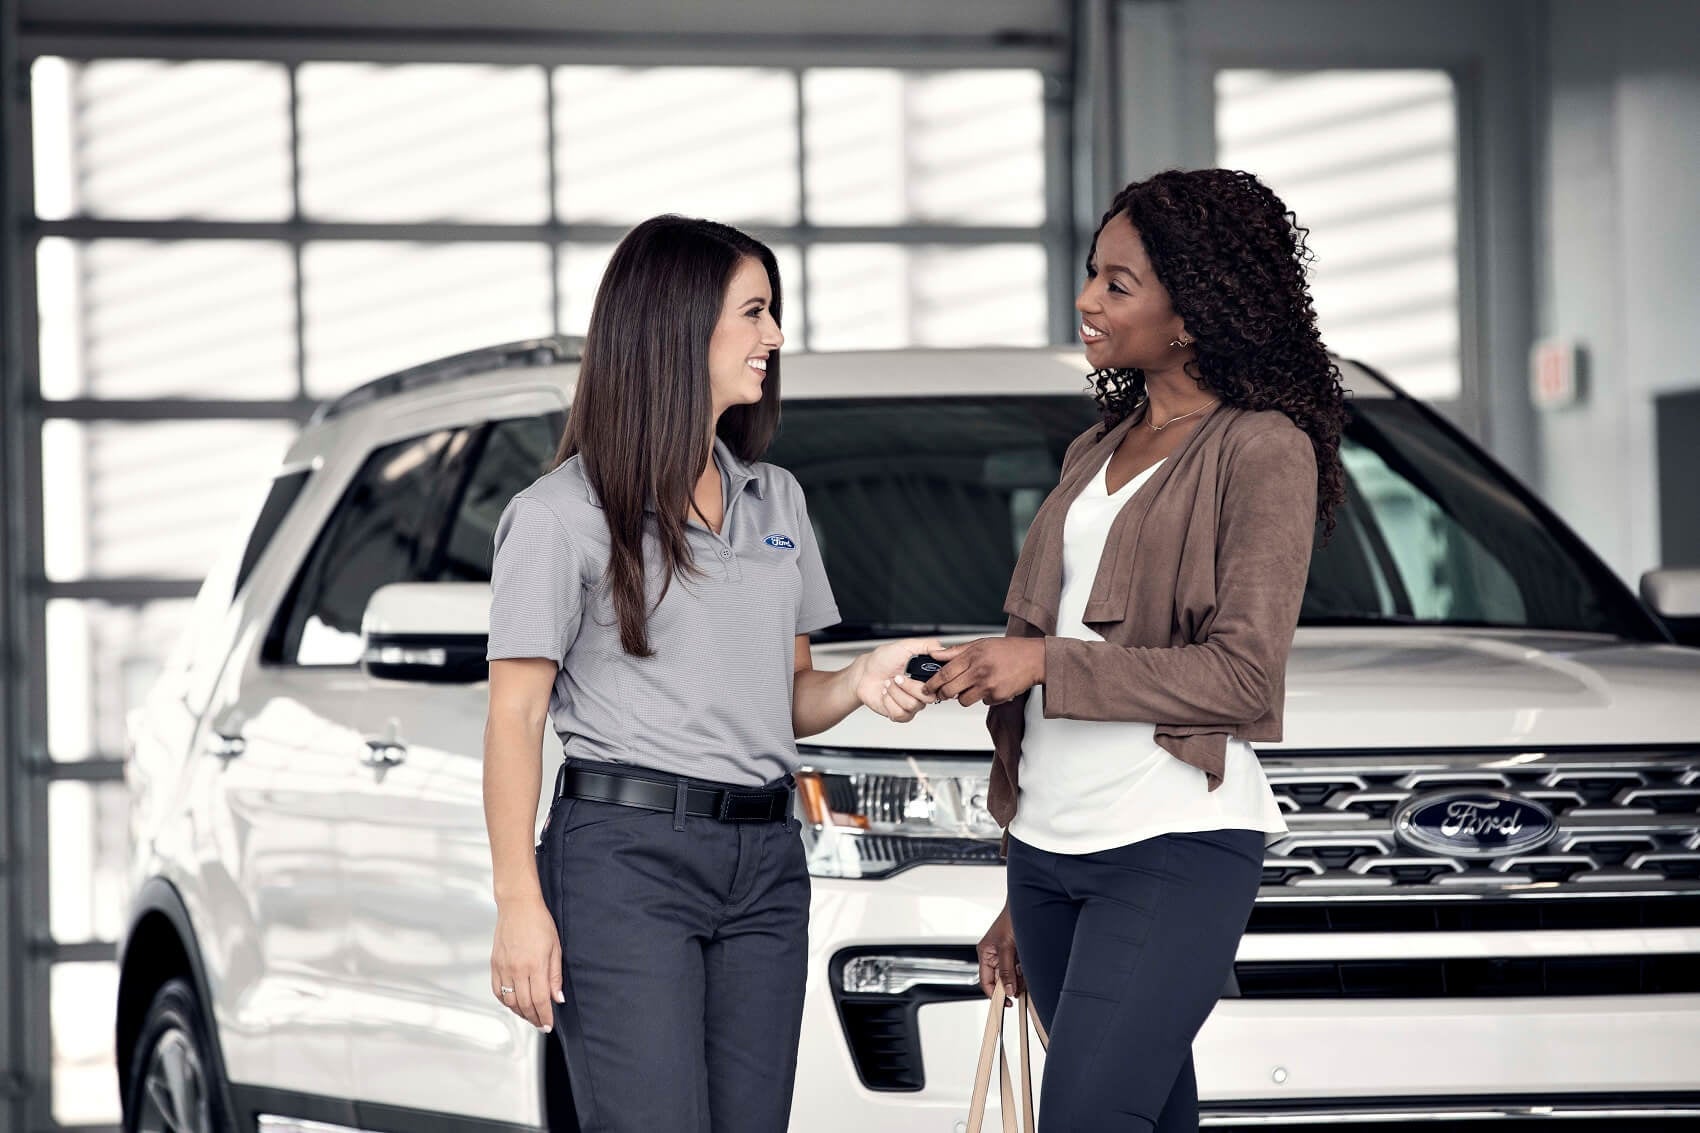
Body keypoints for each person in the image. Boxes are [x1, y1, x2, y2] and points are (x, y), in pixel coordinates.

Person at [481, 214, 938, 1133]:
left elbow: (788, 695)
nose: (776, 335)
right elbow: (514, 719)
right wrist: (517, 901)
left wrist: (858, 680)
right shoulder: (559, 516)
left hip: (767, 862)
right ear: (677, 325)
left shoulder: (777, 498)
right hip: (625, 860)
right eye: (754, 311)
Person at [923, 169, 1349, 1132]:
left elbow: (1243, 675)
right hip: (1048, 851)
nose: (1087, 299)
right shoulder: (1095, 449)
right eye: (1091, 274)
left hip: (1171, 843)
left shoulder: (1261, 448)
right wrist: (1018, 884)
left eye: (1118, 284)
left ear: (1192, 312)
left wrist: (1045, 663)